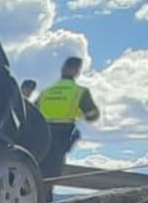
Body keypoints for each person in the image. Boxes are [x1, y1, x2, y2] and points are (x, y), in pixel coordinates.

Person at [36, 57, 101, 194]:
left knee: (37, 175)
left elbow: (32, 112)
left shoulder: (45, 92)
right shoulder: (79, 92)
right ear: (77, 71)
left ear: (62, 69)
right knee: (50, 178)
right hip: (61, 136)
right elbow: (92, 115)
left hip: (40, 135)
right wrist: (78, 114)